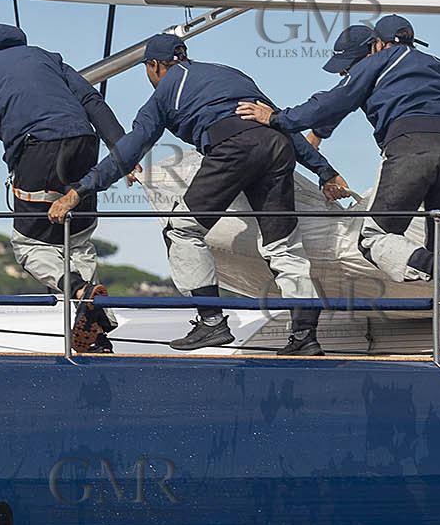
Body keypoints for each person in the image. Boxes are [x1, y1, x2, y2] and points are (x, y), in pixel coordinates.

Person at [235, 15, 440, 352]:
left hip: (409, 147)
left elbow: (334, 100)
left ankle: (437, 267)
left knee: (373, 239)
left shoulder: (380, 59)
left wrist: (276, 118)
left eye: (349, 65)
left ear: (377, 45)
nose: (347, 72)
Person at [48, 33, 344, 356]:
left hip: (234, 149)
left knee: (182, 228)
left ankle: (211, 321)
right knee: (282, 246)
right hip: (277, 148)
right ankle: (304, 335)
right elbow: (278, 123)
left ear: (154, 65)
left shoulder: (166, 91)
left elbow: (130, 148)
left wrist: (82, 189)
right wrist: (324, 171)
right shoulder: (231, 75)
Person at [0, 18, 128, 353]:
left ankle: (80, 292)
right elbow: (91, 101)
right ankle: (95, 329)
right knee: (77, 240)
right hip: (85, 144)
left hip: (40, 150)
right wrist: (123, 150)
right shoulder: (45, 56)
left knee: (29, 245)